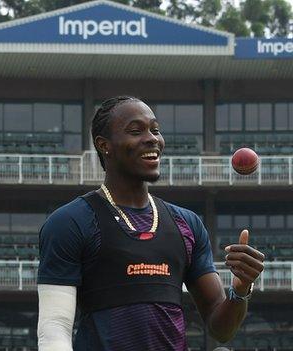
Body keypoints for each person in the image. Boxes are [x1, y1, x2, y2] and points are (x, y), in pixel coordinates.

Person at [37, 96, 265, 350]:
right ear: (104, 145)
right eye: (136, 131)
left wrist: (241, 288)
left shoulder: (187, 224)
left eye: (155, 130)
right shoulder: (69, 222)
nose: (152, 138)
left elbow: (220, 329)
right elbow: (54, 328)